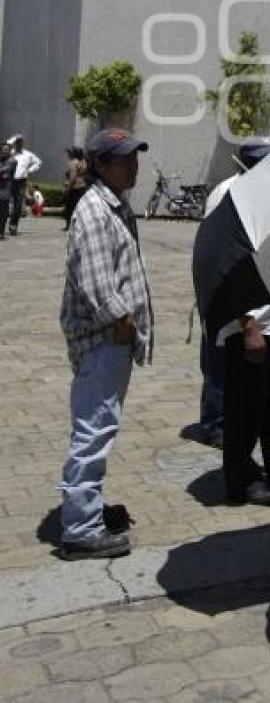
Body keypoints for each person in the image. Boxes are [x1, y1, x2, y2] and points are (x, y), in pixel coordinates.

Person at [58, 128, 154, 559]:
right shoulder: (96, 211)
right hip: (104, 338)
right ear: (99, 164)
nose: (132, 164)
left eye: (134, 156)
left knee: (99, 425)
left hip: (110, 338)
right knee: (94, 428)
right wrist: (122, 320)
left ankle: (87, 508)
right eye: (122, 158)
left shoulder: (114, 204)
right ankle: (79, 528)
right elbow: (97, 283)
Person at [208, 137, 270, 503]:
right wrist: (249, 325)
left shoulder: (266, 195)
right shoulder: (233, 199)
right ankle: (238, 480)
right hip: (248, 325)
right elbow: (228, 265)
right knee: (243, 411)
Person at [7, 134, 41, 236]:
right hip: (8, 181)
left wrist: (29, 170)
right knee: (3, 203)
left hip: (21, 181)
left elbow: (38, 162)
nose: (18, 143)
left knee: (18, 204)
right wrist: (12, 140)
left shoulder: (28, 154)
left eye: (20, 141)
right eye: (17, 142)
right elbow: (6, 145)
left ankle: (13, 225)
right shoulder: (9, 153)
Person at [63, 146, 88, 230]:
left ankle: (68, 225)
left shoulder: (73, 162)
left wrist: (68, 188)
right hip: (83, 186)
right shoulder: (84, 162)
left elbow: (73, 177)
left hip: (74, 187)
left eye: (70, 153)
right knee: (80, 207)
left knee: (69, 207)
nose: (68, 154)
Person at [0, 142, 14, 240]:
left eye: (7, 150)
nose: (5, 152)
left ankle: (1, 232)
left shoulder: (12, 161)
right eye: (3, 150)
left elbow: (6, 174)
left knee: (3, 213)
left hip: (4, 191)